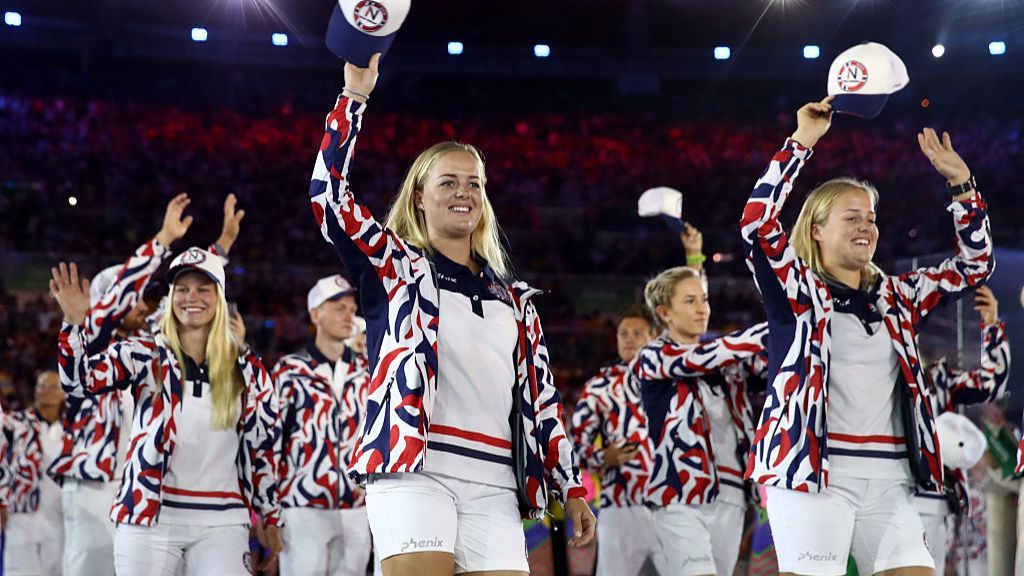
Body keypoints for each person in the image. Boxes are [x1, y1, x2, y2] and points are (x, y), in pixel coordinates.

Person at [307, 54, 595, 576]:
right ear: (419, 197)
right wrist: (353, 99)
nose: (464, 192)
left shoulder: (515, 299)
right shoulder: (395, 267)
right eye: (448, 182)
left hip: (497, 484)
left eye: (474, 184)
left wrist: (570, 485)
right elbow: (329, 198)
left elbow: (543, 401)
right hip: (416, 473)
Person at [740, 96, 993, 576]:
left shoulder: (899, 297)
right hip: (812, 474)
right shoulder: (797, 291)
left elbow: (975, 266)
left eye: (871, 217)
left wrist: (962, 187)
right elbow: (756, 225)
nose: (866, 226)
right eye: (851, 217)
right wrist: (801, 143)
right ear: (816, 231)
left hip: (892, 476)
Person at [50, 248, 282, 576]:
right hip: (148, 519)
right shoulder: (146, 353)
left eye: (204, 289)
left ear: (220, 297)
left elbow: (262, 450)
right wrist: (74, 326)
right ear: (172, 296)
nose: (192, 297)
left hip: (223, 520)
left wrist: (270, 516)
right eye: (183, 289)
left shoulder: (249, 370)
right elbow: (79, 382)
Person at [634, 223, 768, 576]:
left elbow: (769, 366)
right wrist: (774, 328)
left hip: (734, 494)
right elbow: (701, 357)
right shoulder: (655, 357)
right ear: (664, 313)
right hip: (681, 495)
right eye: (690, 301)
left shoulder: (726, 361)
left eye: (704, 300)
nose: (702, 309)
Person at [274, 275, 374, 576]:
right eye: (339, 308)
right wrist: (270, 510)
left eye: (351, 308)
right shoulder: (290, 371)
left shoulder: (368, 371)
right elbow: (270, 442)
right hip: (302, 506)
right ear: (316, 314)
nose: (348, 315)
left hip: (356, 507)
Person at [915, 286, 1009, 572]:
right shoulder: (872, 379)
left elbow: (990, 384)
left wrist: (991, 325)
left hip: (932, 500)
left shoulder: (938, 380)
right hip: (880, 492)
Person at [570, 305, 659, 576]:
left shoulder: (672, 381)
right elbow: (575, 445)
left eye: (637, 333)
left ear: (654, 337)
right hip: (620, 505)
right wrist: (602, 457)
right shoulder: (600, 386)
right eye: (623, 333)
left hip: (672, 506)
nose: (629, 338)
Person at [5, 371, 66, 576]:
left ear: (64, 393)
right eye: (42, 385)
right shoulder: (17, 423)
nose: (47, 391)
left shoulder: (72, 429)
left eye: (53, 386)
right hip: (22, 513)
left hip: (60, 516)